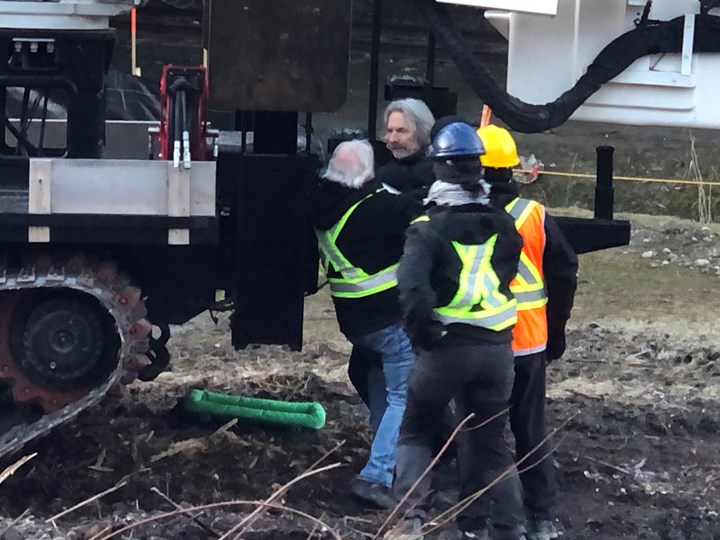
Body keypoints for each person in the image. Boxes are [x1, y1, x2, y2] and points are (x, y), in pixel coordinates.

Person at [389, 122, 527, 540]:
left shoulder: (428, 228)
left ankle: (411, 522)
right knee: (492, 446)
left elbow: (412, 291)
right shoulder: (504, 224)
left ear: (439, 168)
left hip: (446, 348)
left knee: (415, 432)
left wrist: (425, 338)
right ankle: (509, 529)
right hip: (497, 350)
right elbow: (507, 273)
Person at [477, 125, 578, 540]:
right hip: (528, 341)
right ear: (512, 170)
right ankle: (541, 517)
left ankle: (482, 514)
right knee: (529, 428)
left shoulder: (454, 217)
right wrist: (556, 332)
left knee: (478, 432)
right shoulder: (533, 216)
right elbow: (564, 273)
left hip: (478, 340)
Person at [310, 139, 422, 509]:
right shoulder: (373, 210)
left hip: (357, 323)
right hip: (388, 320)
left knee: (384, 391)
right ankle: (377, 474)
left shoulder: (326, 204)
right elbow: (416, 208)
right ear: (368, 174)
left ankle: (385, 456)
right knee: (402, 397)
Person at [375, 98, 436, 193]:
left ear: (423, 131)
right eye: (390, 131)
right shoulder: (381, 162)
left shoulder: (441, 171)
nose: (392, 139)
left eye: (401, 131)